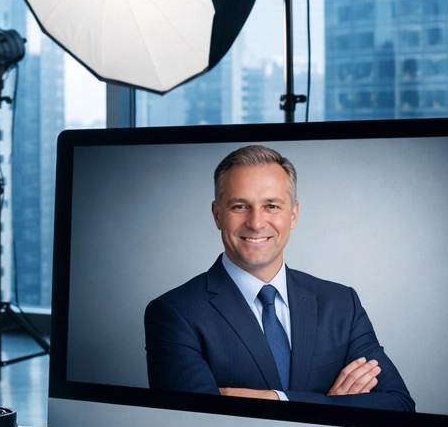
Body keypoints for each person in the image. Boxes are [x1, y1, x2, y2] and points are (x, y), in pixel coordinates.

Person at [145, 145, 414, 411]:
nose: (257, 223)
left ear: (293, 214)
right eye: (240, 206)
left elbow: (399, 406)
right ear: (217, 215)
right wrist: (335, 405)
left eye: (271, 206)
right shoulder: (175, 313)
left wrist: (278, 400)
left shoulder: (342, 303)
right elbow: (197, 424)